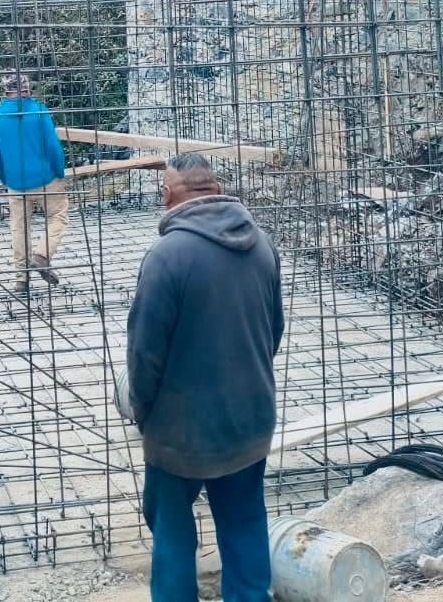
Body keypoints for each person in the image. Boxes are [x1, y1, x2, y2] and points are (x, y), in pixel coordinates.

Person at [122, 152, 285, 602]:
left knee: (172, 532)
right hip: (249, 421)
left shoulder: (166, 257)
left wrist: (145, 410)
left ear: (168, 195)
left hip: (181, 433)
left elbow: (145, 354)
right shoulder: (262, 245)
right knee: (245, 524)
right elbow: (274, 330)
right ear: (215, 188)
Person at [0, 71, 68, 293]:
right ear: (27, 88)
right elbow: (53, 147)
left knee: (19, 228)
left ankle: (21, 280)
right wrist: (60, 171)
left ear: (5, 90)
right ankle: (42, 255)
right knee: (58, 215)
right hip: (45, 178)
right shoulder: (39, 111)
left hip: (15, 182)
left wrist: (5, 176)